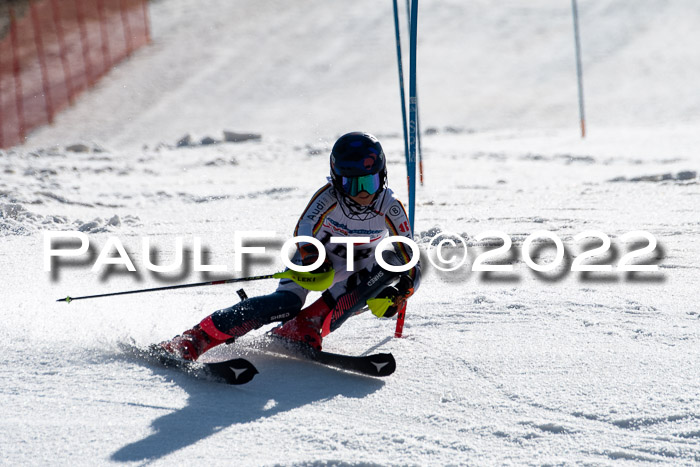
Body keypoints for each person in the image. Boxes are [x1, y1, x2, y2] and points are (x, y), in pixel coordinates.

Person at [160, 132, 421, 361]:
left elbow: (410, 257)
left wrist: (402, 291)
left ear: (382, 177)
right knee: (284, 303)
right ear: (336, 179)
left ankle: (304, 326)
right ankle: (197, 337)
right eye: (351, 184)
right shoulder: (327, 197)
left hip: (356, 271)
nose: (362, 194)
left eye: (369, 183)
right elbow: (303, 231)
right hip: (318, 264)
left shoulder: (390, 206)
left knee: (385, 270)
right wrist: (311, 258)